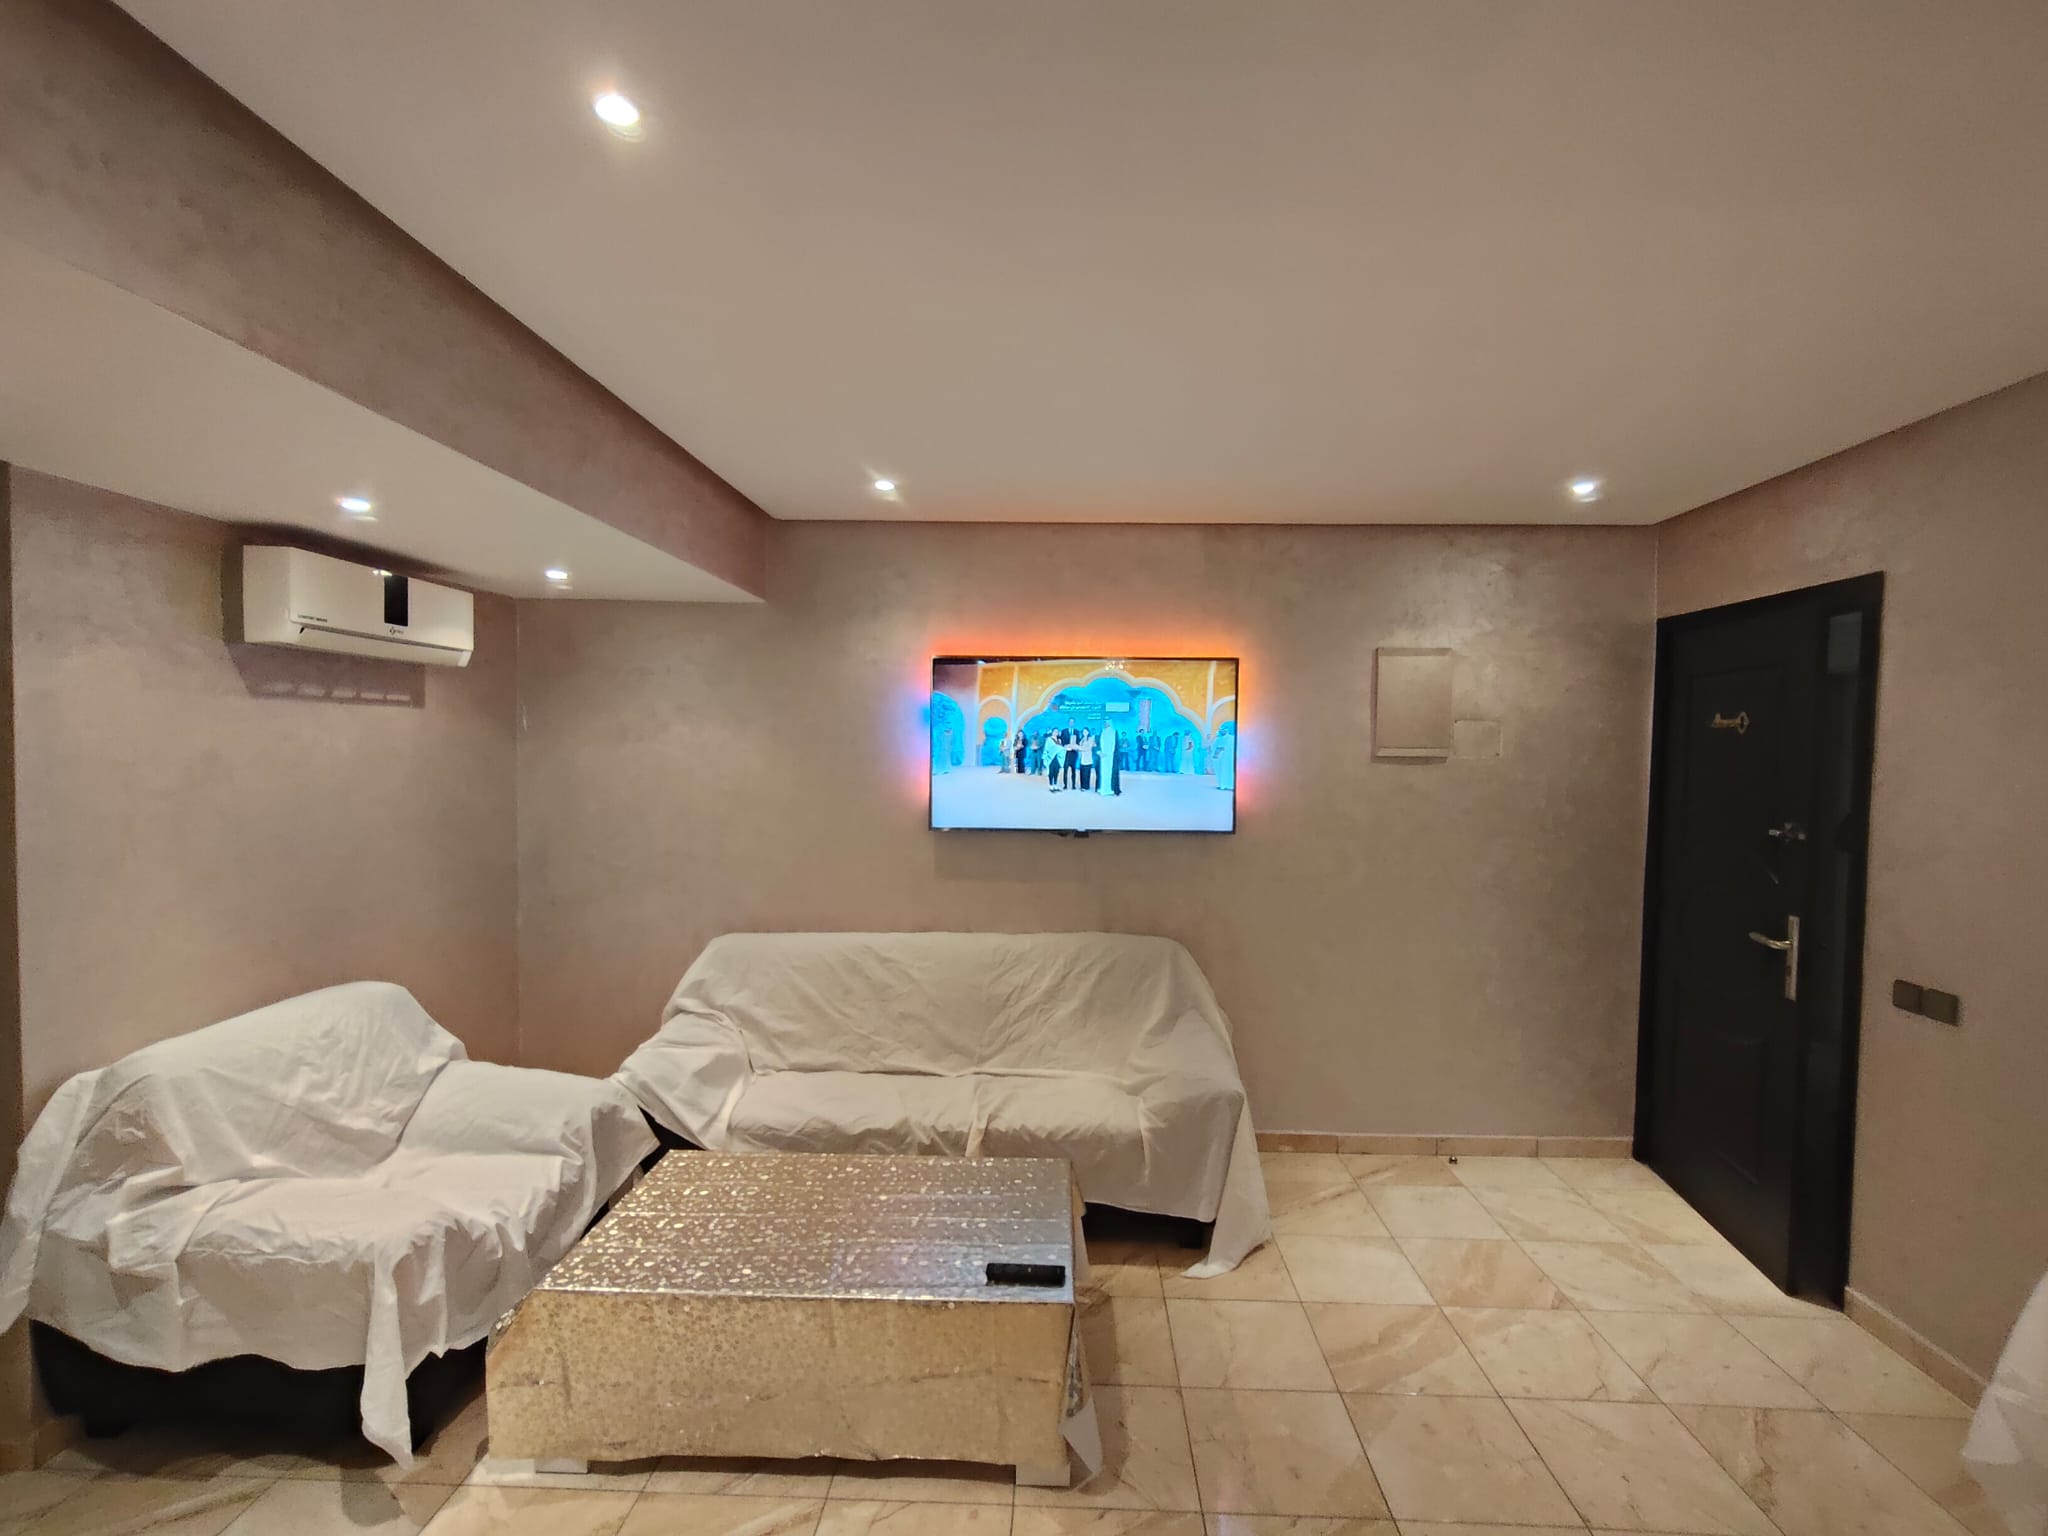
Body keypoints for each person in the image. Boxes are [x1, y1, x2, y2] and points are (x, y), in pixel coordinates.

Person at [1098, 722, 1119, 796]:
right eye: (1105, 723)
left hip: (1111, 756)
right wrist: (1099, 752)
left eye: (1108, 723)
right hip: (1103, 756)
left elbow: (1116, 745)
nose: (1106, 724)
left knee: (1111, 773)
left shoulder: (1114, 732)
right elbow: (1098, 743)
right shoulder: (1102, 732)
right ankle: (1103, 789)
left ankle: (1112, 789)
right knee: (1103, 773)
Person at [1077, 729, 1095, 793]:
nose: (1084, 732)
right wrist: (1077, 748)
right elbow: (1079, 747)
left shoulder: (1090, 739)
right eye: (1083, 731)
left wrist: (1080, 748)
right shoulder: (1082, 739)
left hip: (1088, 759)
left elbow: (1088, 748)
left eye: (1086, 731)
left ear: (1088, 732)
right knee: (1082, 773)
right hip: (1082, 759)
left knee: (1086, 773)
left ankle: (1086, 786)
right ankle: (1082, 786)